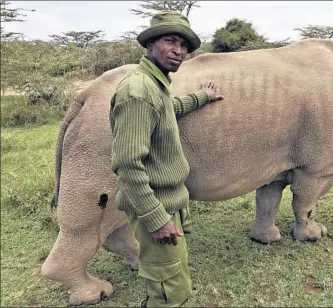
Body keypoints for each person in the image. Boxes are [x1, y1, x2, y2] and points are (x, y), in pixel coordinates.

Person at [109, 11, 223, 307]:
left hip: (168, 201)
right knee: (168, 288)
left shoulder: (153, 84)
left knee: (172, 273)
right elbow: (127, 165)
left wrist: (201, 97)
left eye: (184, 45)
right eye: (169, 41)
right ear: (149, 45)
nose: (178, 51)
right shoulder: (137, 91)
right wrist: (157, 219)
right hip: (156, 206)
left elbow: (167, 109)